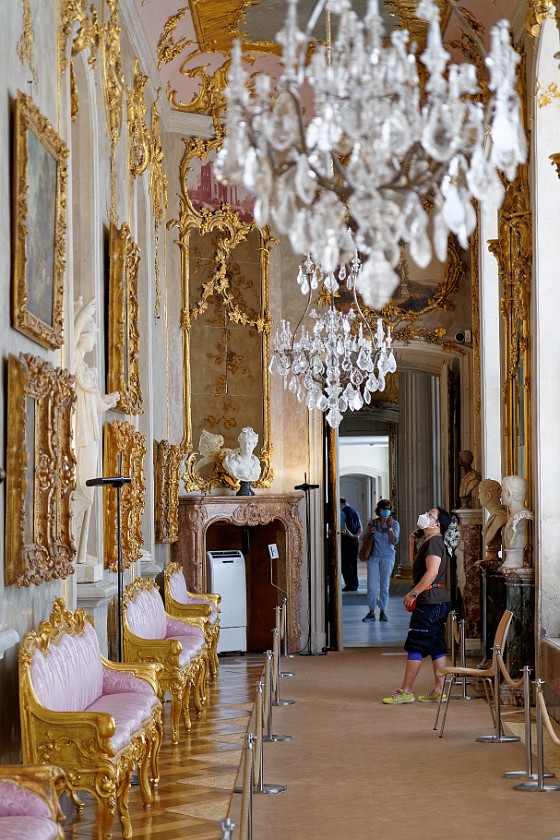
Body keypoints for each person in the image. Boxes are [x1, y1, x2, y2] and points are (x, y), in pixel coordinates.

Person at [383, 506, 452, 704]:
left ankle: (406, 691)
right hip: (437, 600)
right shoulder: (429, 542)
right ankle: (439, 690)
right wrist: (412, 543)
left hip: (430, 602)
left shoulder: (434, 543)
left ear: (437, 524)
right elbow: (418, 570)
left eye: (430, 515)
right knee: (436, 644)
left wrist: (414, 593)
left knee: (416, 643)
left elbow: (431, 574)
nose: (425, 516)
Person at [74, 297, 119, 564]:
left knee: (89, 490)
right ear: (83, 336)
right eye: (92, 337)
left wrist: (108, 401)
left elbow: (93, 402)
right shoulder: (74, 361)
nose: (94, 342)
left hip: (90, 434)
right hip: (79, 435)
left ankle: (80, 551)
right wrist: (81, 315)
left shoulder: (85, 366)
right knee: (82, 487)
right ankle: (74, 549)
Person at [360, 500, 400, 622]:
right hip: (373, 557)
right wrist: (370, 533)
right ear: (379, 510)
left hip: (388, 557)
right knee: (371, 585)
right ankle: (371, 611)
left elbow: (395, 541)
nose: (386, 511)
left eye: (388, 508)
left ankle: (383, 610)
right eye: (384, 508)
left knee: (384, 585)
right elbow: (363, 538)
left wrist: (390, 529)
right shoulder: (372, 523)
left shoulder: (394, 524)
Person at [501, 474, 533, 568]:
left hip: (515, 563)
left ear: (509, 494)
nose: (501, 494)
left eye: (503, 491)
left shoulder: (522, 517)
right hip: (510, 562)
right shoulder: (512, 517)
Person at [478, 479, 507, 560]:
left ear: (488, 495)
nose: (478, 496)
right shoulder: (494, 517)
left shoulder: (500, 517)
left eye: (480, 492)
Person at [340, 498, 362, 592]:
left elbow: (343, 528)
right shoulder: (355, 511)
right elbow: (360, 527)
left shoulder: (342, 512)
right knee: (353, 562)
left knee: (346, 563)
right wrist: (357, 536)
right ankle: (355, 583)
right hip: (355, 542)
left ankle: (349, 584)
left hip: (346, 541)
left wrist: (351, 536)